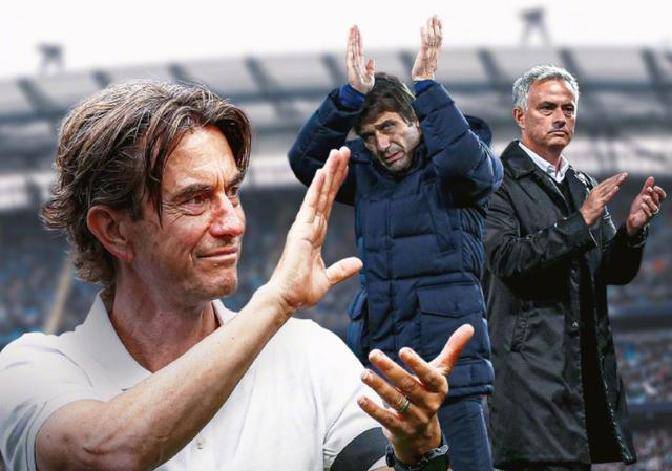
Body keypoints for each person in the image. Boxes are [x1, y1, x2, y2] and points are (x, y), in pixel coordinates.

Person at [0, 80, 475, 470]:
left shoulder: (311, 355)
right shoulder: (32, 370)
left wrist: (419, 454)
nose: (232, 223)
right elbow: (105, 455)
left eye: (232, 192)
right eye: (195, 199)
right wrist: (276, 301)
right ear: (114, 230)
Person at [289, 17, 502, 471]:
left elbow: (464, 162)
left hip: (449, 371)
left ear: (416, 120)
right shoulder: (367, 174)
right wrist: (349, 97)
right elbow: (305, 161)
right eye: (368, 136)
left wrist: (426, 85)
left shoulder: (459, 167)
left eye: (389, 128)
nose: (381, 144)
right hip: (386, 363)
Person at [483, 64, 667, 470]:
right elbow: (506, 259)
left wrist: (632, 231)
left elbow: (612, 271)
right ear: (520, 116)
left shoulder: (581, 183)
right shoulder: (497, 182)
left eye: (568, 109)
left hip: (580, 370)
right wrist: (580, 221)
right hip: (528, 374)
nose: (560, 117)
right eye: (547, 107)